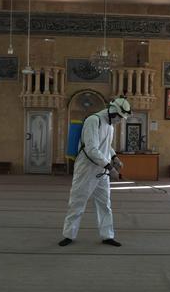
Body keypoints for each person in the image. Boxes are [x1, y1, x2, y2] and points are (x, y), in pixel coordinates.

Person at [59, 97, 131, 247]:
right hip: (86, 169)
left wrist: (115, 157)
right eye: (119, 117)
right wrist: (110, 168)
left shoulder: (110, 125)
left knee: (105, 204)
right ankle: (69, 235)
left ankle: (107, 235)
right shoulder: (93, 121)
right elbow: (91, 149)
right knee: (77, 202)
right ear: (113, 111)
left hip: (102, 170)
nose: (120, 120)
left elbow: (106, 145)